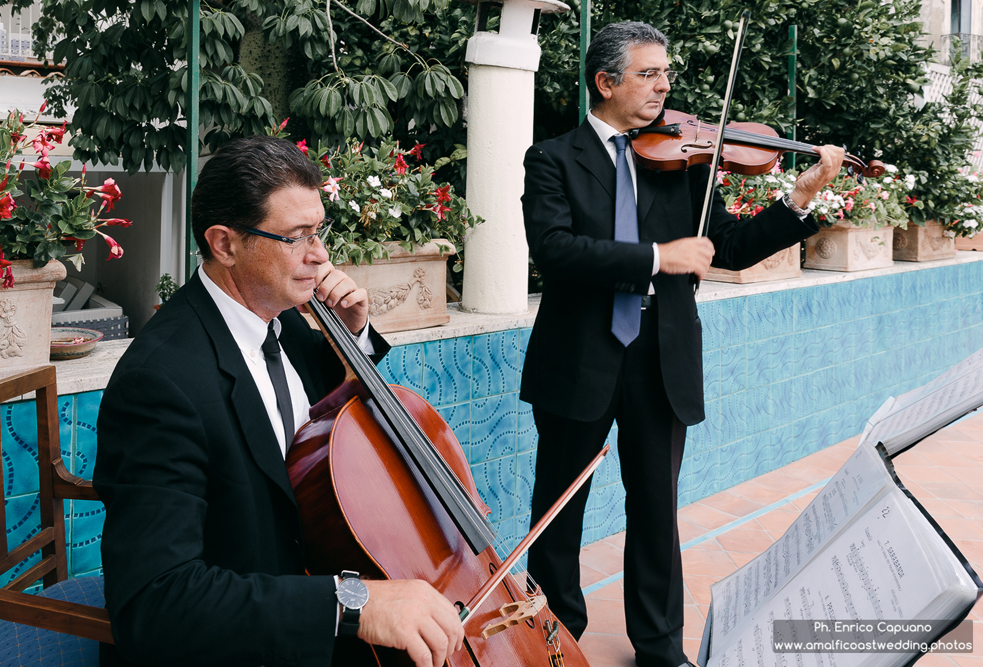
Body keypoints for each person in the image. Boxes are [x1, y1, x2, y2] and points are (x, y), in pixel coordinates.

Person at [520, 21, 847, 667]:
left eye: (666, 73)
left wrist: (799, 197)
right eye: (648, 73)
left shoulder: (683, 159)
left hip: (660, 355)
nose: (664, 85)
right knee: (558, 508)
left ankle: (659, 645)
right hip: (580, 352)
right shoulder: (553, 158)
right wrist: (655, 257)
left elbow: (729, 245)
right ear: (605, 81)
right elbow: (554, 252)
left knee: (655, 505)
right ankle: (553, 635)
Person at [94, 136, 464, 667]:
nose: (320, 256)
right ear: (225, 245)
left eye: (319, 232)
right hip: (252, 641)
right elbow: (156, 603)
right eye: (296, 238)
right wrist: (353, 604)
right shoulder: (160, 384)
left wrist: (351, 336)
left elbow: (325, 418)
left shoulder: (282, 318)